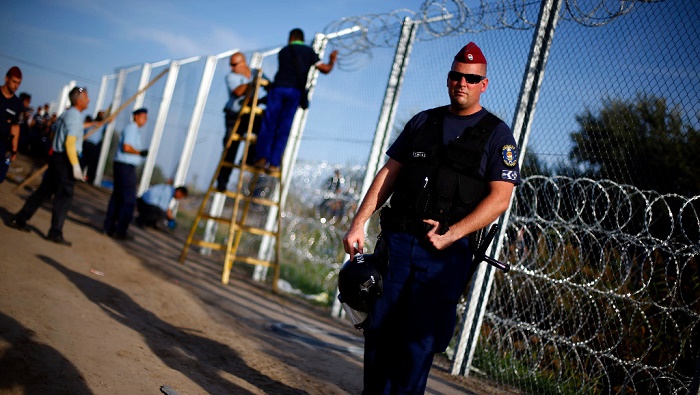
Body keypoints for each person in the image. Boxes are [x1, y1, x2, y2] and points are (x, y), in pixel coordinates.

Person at [342, 42, 521, 394]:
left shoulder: (497, 134)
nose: (462, 83)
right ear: (448, 78)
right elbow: (389, 174)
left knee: (416, 343)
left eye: (471, 78)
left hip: (442, 255)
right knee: (379, 332)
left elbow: (500, 197)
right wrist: (358, 222)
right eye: (457, 75)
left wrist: (454, 233)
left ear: (483, 85)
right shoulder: (423, 121)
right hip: (396, 246)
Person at [8, 86, 90, 246]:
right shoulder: (75, 117)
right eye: (86, 97)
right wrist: (75, 166)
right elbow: (70, 143)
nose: (89, 100)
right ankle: (55, 232)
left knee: (43, 192)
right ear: (79, 101)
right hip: (66, 161)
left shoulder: (65, 114)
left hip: (56, 159)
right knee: (64, 197)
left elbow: (53, 135)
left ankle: (19, 219)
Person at [253, 28, 338, 172]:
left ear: (291, 38)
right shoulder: (309, 52)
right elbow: (325, 69)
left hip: (279, 88)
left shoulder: (284, 51)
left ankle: (261, 158)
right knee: (284, 127)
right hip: (295, 91)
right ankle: (274, 164)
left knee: (269, 123)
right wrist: (332, 60)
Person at [217, 52, 268, 191]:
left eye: (234, 64)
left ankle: (250, 158)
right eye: (230, 64)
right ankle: (222, 181)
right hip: (234, 115)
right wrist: (253, 83)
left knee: (262, 130)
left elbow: (267, 85)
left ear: (243, 63)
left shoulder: (256, 73)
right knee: (230, 148)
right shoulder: (231, 76)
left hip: (249, 113)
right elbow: (238, 92)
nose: (231, 67)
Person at [102, 108, 149, 240]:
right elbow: (126, 147)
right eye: (143, 117)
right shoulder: (132, 129)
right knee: (128, 200)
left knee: (117, 198)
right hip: (125, 167)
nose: (145, 120)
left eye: (146, 118)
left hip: (122, 166)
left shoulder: (134, 130)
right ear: (135, 116)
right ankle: (120, 230)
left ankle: (109, 227)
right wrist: (140, 153)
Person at [0, 66, 24, 183]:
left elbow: (15, 127)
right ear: (6, 78)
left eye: (19, 83)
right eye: (14, 82)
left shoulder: (17, 104)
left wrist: (14, 150)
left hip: (3, 145)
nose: (16, 86)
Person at [81, 110, 106, 183]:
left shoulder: (103, 124)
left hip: (95, 145)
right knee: (83, 161)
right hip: (87, 143)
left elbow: (111, 119)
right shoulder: (91, 122)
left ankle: (90, 179)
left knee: (93, 164)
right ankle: (77, 175)